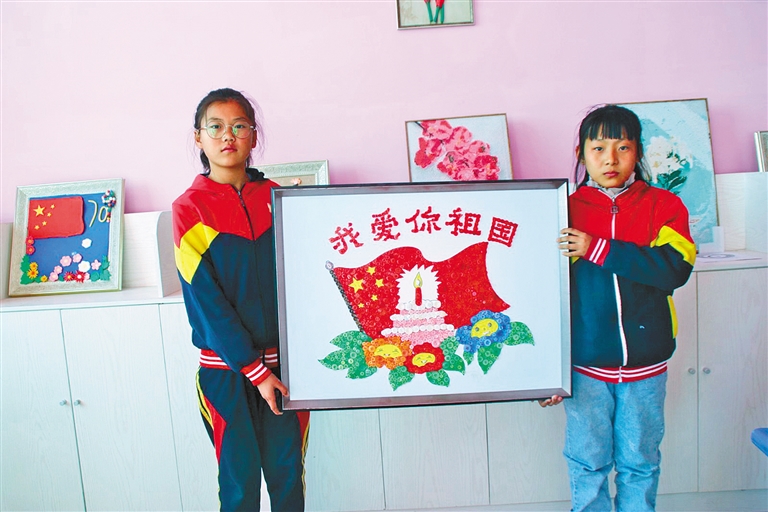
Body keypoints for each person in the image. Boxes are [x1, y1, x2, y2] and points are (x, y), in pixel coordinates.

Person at [541, 104, 696, 511]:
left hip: (646, 365)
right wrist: (548, 371)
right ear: (581, 153)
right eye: (598, 148)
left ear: (638, 151)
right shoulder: (562, 210)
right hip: (584, 368)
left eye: (623, 147)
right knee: (587, 464)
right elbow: (544, 294)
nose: (610, 159)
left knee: (640, 463)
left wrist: (597, 248)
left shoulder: (664, 206)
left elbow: (674, 268)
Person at [172, 88, 309, 511]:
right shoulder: (188, 209)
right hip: (227, 376)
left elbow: (304, 280)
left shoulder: (280, 199)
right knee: (238, 487)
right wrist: (255, 371)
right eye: (215, 127)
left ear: (254, 135)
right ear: (198, 137)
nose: (227, 136)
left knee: (289, 482)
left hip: (287, 371)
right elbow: (207, 305)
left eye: (239, 126)